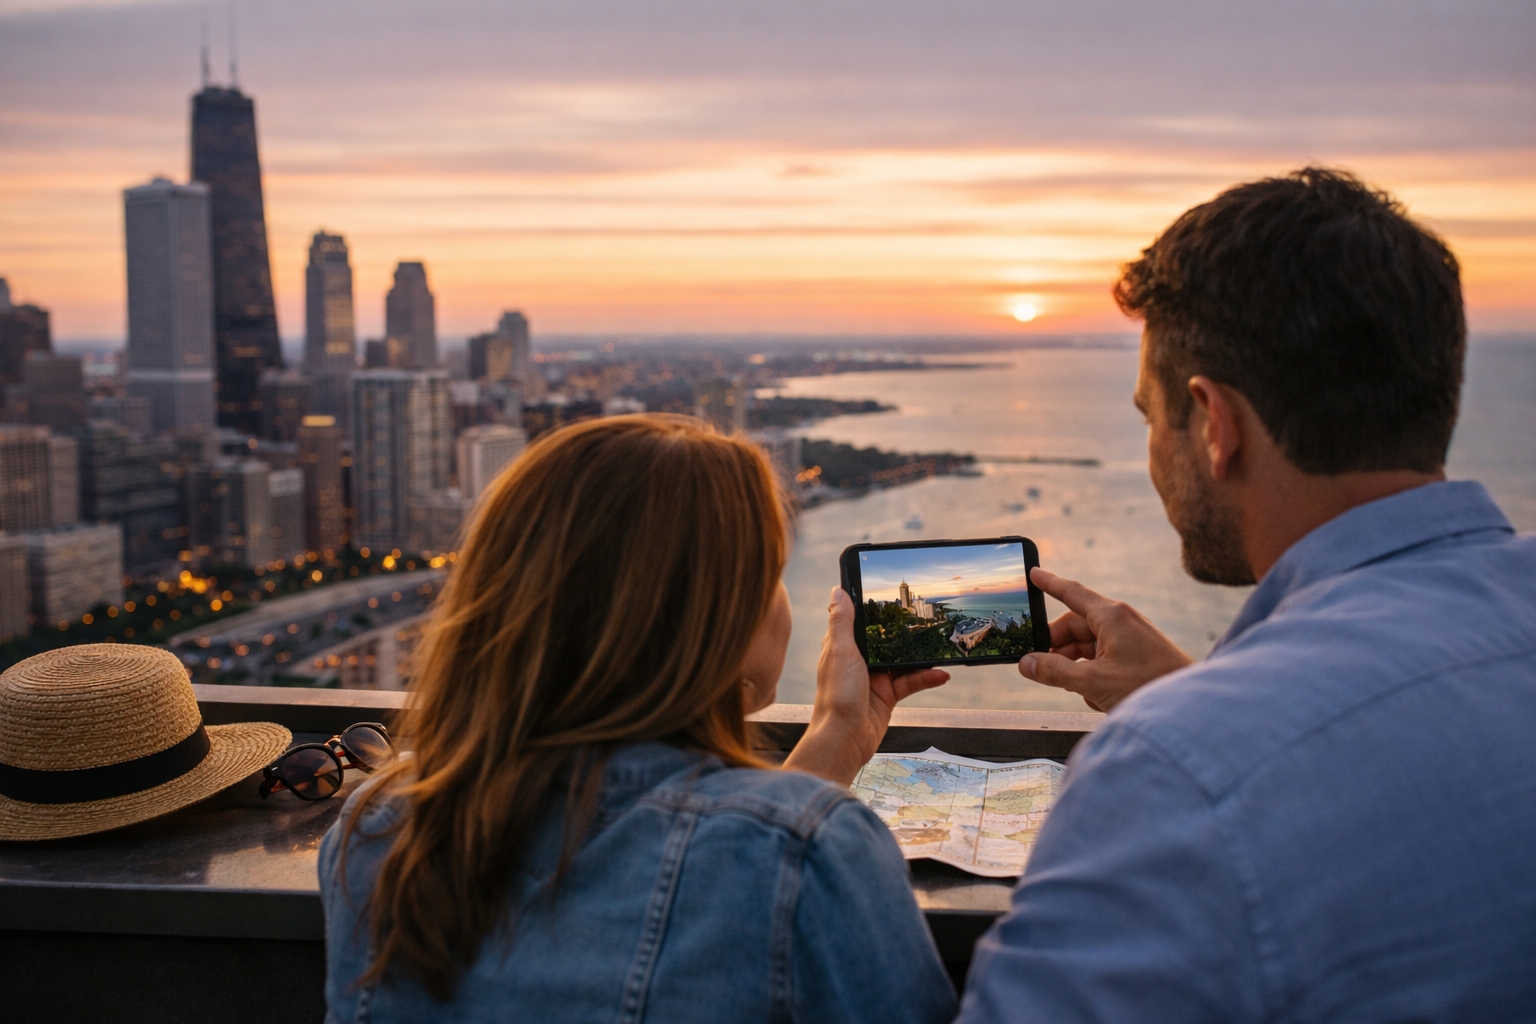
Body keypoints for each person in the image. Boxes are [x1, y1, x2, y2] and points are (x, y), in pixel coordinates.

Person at [958, 168, 1536, 1021]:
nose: (1154, 448)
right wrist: (1186, 692)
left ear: (1215, 424)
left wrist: (1192, 725)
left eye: (1150, 415)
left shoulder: (1174, 773)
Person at [319, 415, 958, 1023]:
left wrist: (837, 739)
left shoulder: (376, 830)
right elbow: (751, 863)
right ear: (716, 618)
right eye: (772, 572)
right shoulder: (816, 851)